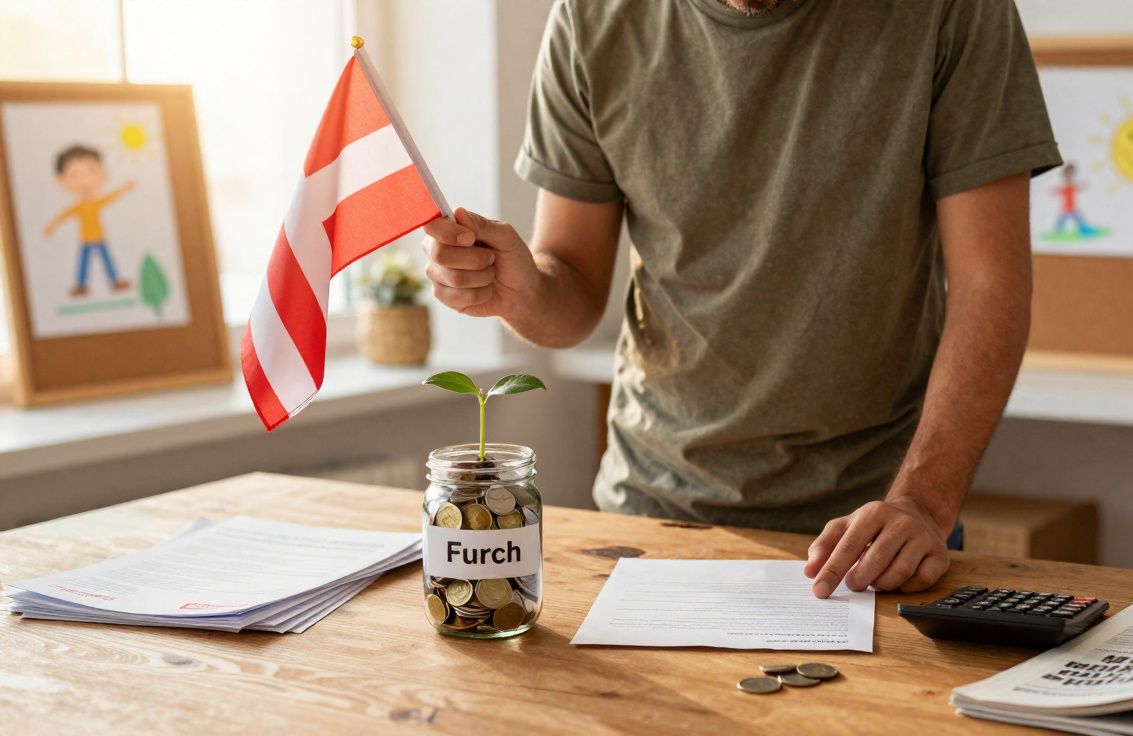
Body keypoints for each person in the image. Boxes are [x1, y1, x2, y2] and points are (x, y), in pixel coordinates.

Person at [422, 0, 1060, 597]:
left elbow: (990, 286)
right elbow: (573, 295)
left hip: (875, 525)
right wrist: (521, 291)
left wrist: (921, 502)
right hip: (650, 512)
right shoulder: (593, 16)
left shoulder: (953, 11)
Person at [43, 144, 135, 297]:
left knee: (106, 260)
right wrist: (51, 226)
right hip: (85, 240)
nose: (84, 181)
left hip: (99, 238)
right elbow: (63, 216)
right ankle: (81, 286)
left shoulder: (96, 203)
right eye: (74, 175)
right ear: (61, 181)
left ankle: (115, 281)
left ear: (104, 174)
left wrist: (125, 188)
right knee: (84, 263)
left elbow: (112, 197)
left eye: (92, 171)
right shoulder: (77, 207)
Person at [1051, 163, 1095, 236]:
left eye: (1071, 172)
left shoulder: (1072, 184)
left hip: (1073, 207)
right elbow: (1060, 190)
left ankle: (1083, 230)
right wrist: (1055, 191)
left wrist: (1083, 185)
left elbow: (1078, 187)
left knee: (1079, 219)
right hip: (1066, 208)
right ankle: (1057, 232)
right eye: (1068, 172)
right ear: (1065, 173)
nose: (1070, 174)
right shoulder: (1065, 184)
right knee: (1061, 220)